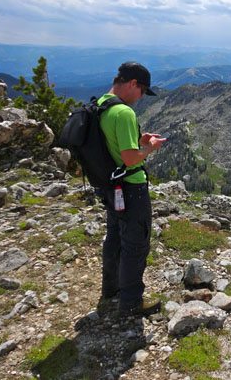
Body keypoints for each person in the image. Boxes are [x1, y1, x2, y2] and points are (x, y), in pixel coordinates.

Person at [96, 62, 165, 317]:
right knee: (135, 245)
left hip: (110, 185)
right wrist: (150, 148)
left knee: (114, 237)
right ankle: (132, 303)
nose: (141, 97)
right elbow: (129, 158)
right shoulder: (124, 112)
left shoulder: (102, 104)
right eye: (142, 90)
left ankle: (110, 289)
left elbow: (113, 145)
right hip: (130, 188)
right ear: (133, 83)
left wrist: (138, 140)